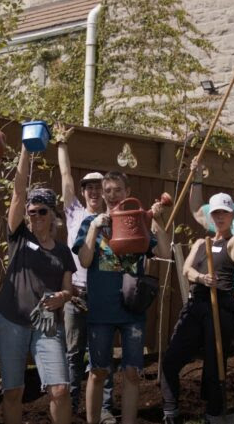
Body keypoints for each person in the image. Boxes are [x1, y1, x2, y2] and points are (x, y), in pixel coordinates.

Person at [163, 169, 234, 424]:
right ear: (211, 217)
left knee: (216, 367)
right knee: (171, 359)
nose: (219, 217)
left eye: (224, 213)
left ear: (231, 215)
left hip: (222, 307)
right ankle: (170, 411)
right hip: (196, 306)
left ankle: (214, 415)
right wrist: (200, 277)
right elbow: (186, 269)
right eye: (216, 213)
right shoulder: (200, 243)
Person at [74, 171, 172, 424]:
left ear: (128, 192)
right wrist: (94, 228)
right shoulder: (91, 223)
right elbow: (84, 261)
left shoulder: (136, 221)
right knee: (97, 371)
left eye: (118, 190)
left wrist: (158, 222)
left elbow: (163, 252)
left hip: (132, 310)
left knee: (132, 373)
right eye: (108, 190)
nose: (112, 195)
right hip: (101, 309)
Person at [0, 144, 76, 424]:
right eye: (32, 211)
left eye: (41, 211)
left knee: (60, 389)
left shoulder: (62, 252)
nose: (35, 216)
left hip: (46, 324)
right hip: (11, 320)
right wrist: (26, 150)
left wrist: (62, 297)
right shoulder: (19, 237)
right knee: (14, 391)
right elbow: (18, 191)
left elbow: (69, 288)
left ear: (52, 214)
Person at [55, 124, 116, 422]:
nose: (94, 191)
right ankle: (74, 404)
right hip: (75, 293)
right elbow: (66, 177)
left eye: (98, 187)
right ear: (83, 192)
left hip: (103, 296)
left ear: (105, 192)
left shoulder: (112, 218)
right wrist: (62, 145)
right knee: (73, 352)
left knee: (102, 354)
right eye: (89, 187)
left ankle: (103, 408)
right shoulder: (74, 213)